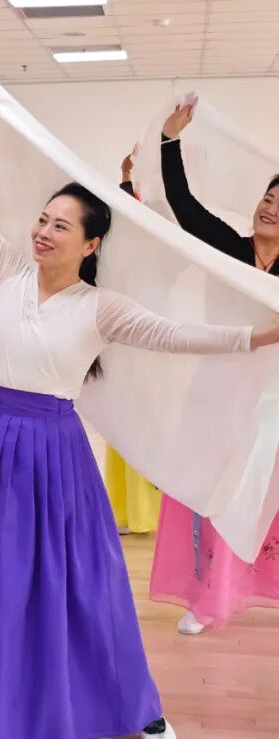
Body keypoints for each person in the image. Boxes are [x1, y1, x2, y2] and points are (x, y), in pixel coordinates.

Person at [0, 88, 279, 739]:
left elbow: (175, 334)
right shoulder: (6, 271)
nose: (42, 231)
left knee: (84, 585)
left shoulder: (101, 307)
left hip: (52, 453)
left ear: (89, 244)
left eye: (60, 226)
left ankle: (133, 706)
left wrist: (257, 338)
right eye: (42, 219)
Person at [148, 99, 279, 634]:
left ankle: (259, 585)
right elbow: (185, 206)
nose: (271, 208)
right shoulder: (230, 248)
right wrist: (169, 140)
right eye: (268, 198)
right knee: (211, 491)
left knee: (262, 492)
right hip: (218, 389)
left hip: (270, 398)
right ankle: (207, 595)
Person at [103, 150, 163, 535]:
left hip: (157, 349)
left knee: (149, 427)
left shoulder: (169, 256)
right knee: (124, 426)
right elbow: (127, 212)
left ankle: (147, 511)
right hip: (126, 349)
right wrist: (126, 176)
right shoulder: (124, 251)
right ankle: (125, 509)